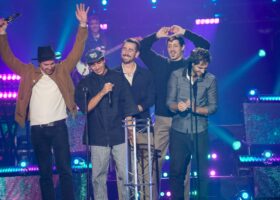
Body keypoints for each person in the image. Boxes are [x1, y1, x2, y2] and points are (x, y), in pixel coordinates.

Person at [0, 4, 89, 200]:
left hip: (58, 127)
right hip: (38, 129)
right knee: (45, 172)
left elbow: (76, 51)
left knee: (65, 169)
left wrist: (82, 25)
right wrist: (2, 34)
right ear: (39, 63)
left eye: (52, 64)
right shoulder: (28, 72)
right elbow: (9, 58)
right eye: (46, 65)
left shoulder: (62, 69)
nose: (50, 67)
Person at [139, 25, 210, 199]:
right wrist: (156, 35)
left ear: (183, 48)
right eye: (169, 47)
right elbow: (142, 48)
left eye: (175, 46)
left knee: (183, 165)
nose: (172, 50)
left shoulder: (189, 64)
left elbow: (205, 45)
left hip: (183, 121)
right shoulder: (159, 63)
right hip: (162, 120)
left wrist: (184, 32)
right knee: (154, 161)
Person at [74, 49, 138, 200]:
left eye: (98, 62)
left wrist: (130, 131)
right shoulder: (85, 83)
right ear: (89, 66)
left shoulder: (118, 77)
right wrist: (102, 92)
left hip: (119, 133)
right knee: (98, 177)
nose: (96, 66)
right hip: (98, 136)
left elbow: (128, 104)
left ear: (104, 60)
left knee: (124, 174)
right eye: (92, 64)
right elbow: (86, 108)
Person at [166, 47, 218, 200]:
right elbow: (169, 102)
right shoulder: (176, 76)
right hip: (179, 130)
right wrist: (178, 106)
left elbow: (213, 107)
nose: (202, 70)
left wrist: (196, 108)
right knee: (176, 172)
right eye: (199, 67)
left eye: (205, 68)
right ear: (191, 63)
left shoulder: (210, 79)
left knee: (203, 172)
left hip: (200, 130)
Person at [115, 38, 155, 199]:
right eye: (124, 48)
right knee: (123, 170)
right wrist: (126, 114)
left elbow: (152, 97)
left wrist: (136, 109)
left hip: (142, 125)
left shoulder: (146, 74)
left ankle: (147, 197)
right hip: (120, 127)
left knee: (145, 168)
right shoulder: (114, 74)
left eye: (130, 49)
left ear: (137, 54)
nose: (126, 52)